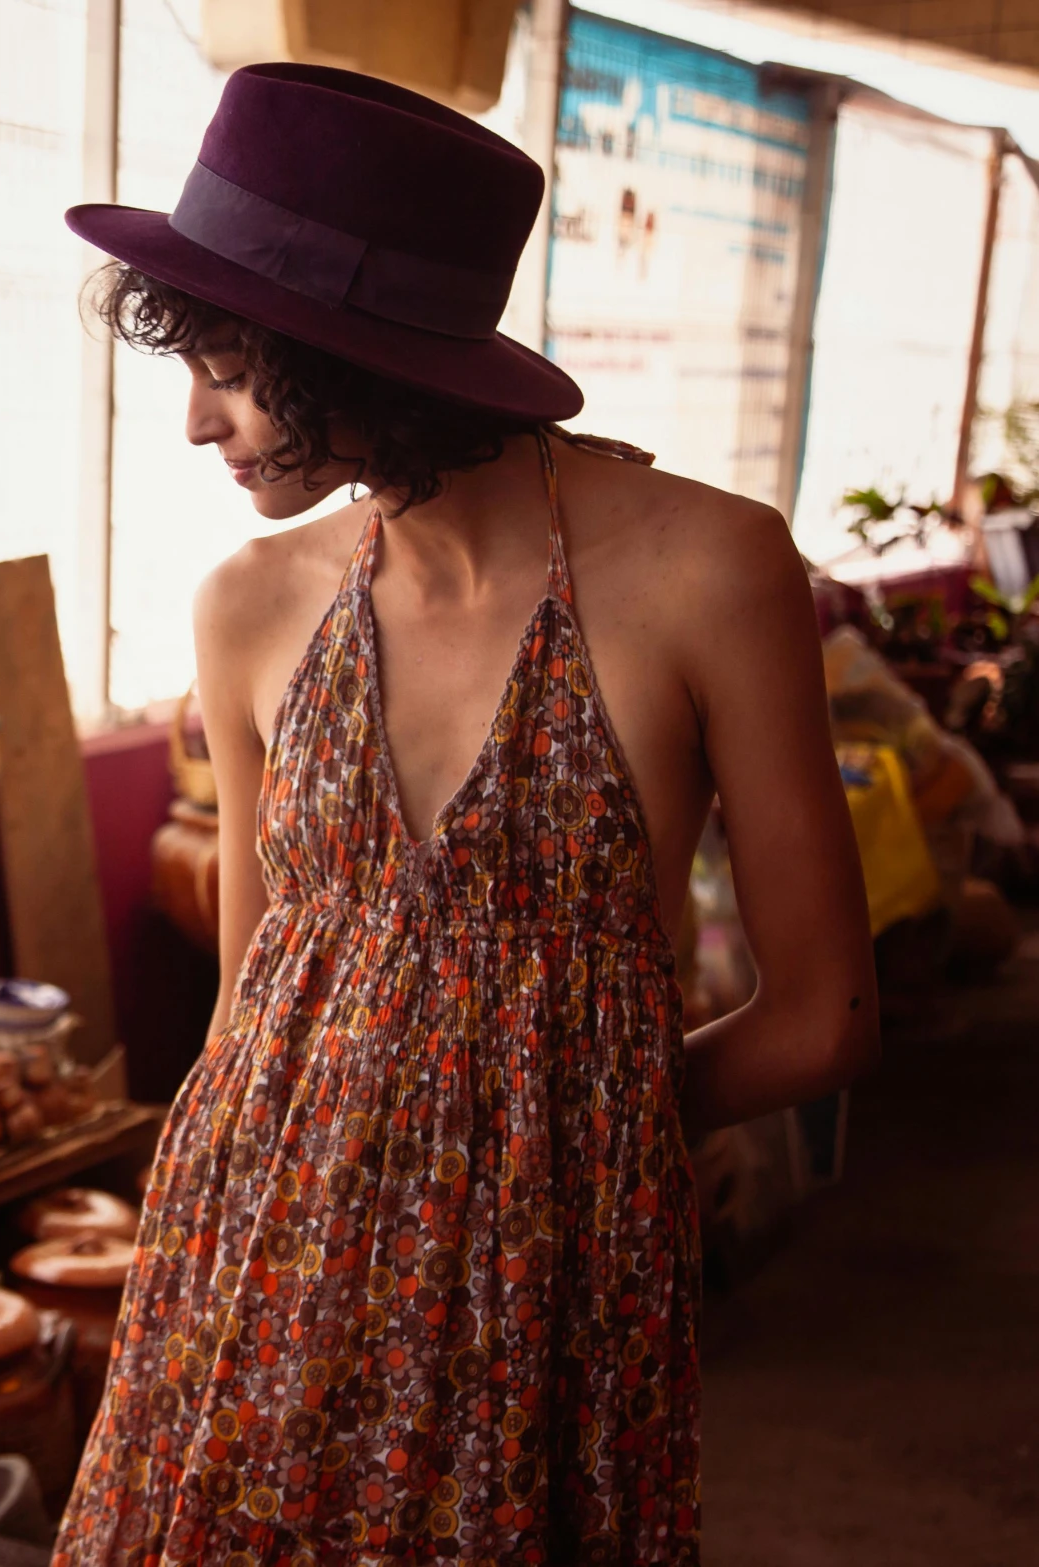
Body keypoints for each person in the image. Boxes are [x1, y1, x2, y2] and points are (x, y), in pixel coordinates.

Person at [53, 64, 875, 1565]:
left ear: (344, 348)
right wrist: (410, 1129)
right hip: (251, 1258)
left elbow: (821, 1010)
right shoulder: (245, 608)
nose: (193, 422)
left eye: (227, 365)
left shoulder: (712, 570)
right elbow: (252, 1009)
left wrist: (553, 1132)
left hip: (540, 1285)